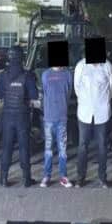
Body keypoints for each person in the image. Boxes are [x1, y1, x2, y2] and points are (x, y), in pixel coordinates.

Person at [74, 45, 112, 188]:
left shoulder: (107, 66)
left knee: (102, 146)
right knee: (82, 146)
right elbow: (77, 87)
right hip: (85, 112)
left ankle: (102, 178)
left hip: (102, 113)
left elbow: (111, 89)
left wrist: (101, 101)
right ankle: (80, 177)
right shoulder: (81, 66)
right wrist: (87, 101)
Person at [0, 45, 38, 187]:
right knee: (24, 147)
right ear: (22, 57)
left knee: (6, 147)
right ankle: (26, 179)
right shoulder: (28, 75)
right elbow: (34, 95)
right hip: (22, 115)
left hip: (7, 115)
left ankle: (3, 179)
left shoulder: (2, 75)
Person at [40, 60, 74, 188]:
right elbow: (44, 93)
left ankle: (63, 176)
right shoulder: (45, 74)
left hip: (62, 117)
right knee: (48, 149)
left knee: (62, 149)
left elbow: (68, 93)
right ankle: (47, 176)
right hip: (49, 117)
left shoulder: (68, 74)